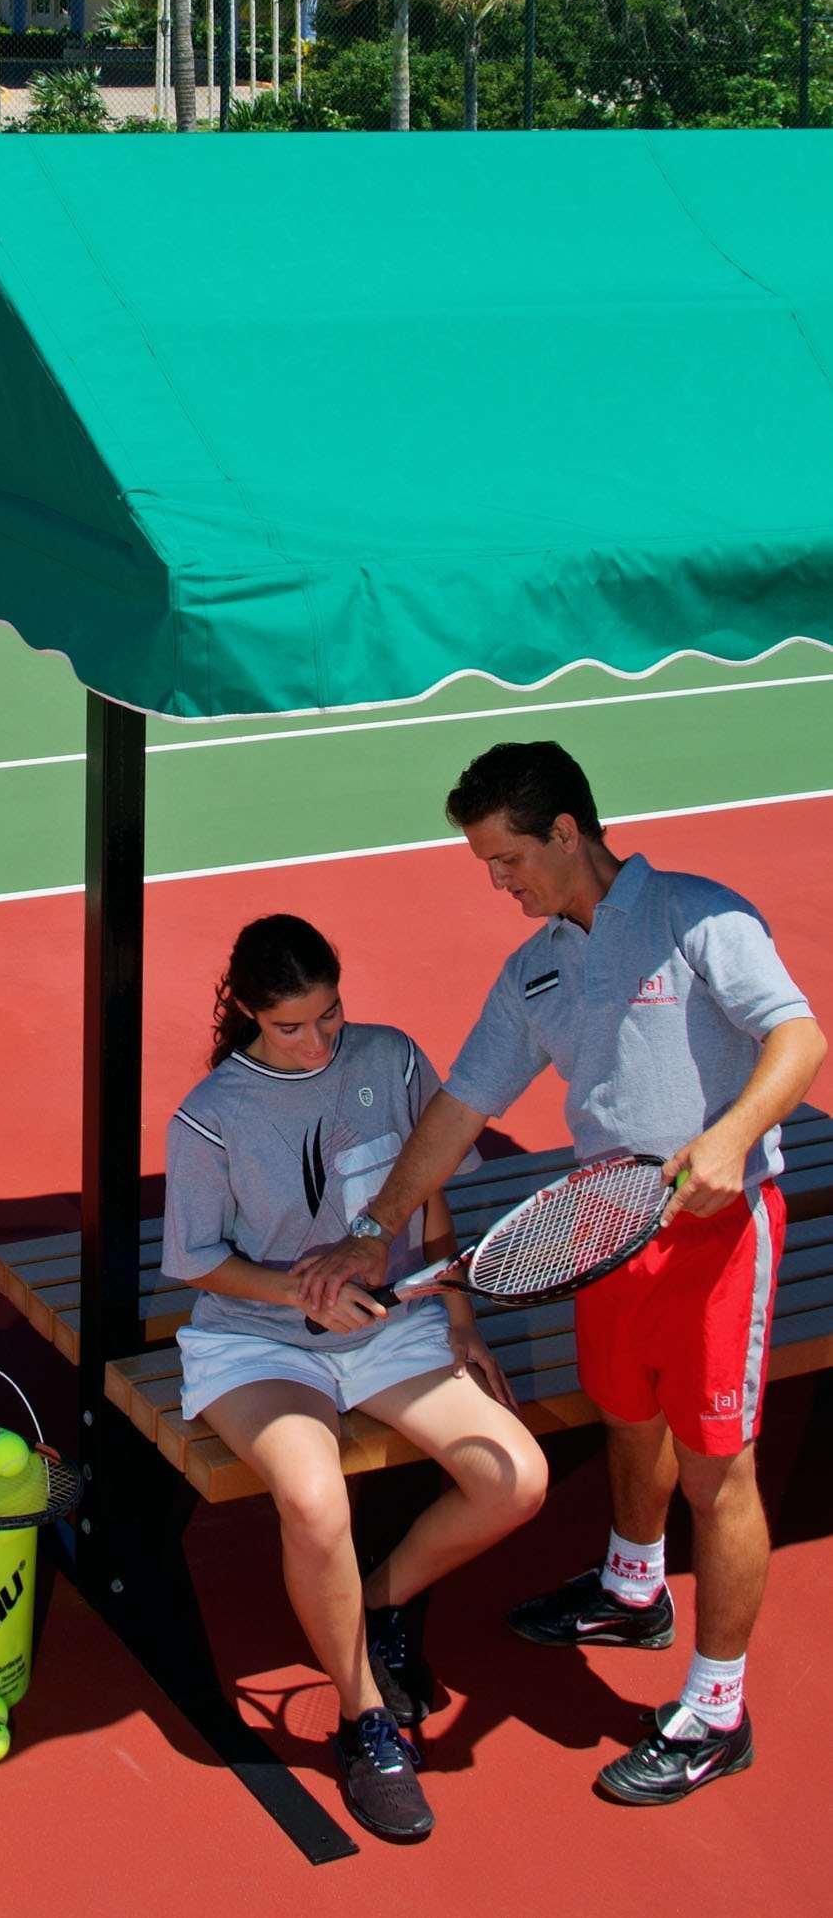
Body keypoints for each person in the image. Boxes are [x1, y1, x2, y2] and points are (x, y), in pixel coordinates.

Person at [298, 741, 826, 1809]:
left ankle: (717, 1711)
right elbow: (457, 1107)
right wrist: (371, 1227)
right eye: (486, 866)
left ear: (564, 832)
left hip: (716, 1235)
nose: (499, 884)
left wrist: (726, 1139)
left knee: (718, 1468)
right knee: (626, 1421)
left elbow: (796, 1037)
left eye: (506, 859)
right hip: (606, 1228)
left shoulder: (695, 914)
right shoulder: (532, 968)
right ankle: (633, 1592)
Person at [163, 912, 548, 1844]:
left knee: (517, 1481)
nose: (318, 1042)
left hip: (392, 1331)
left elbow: (428, 1192)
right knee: (314, 1499)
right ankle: (363, 1715)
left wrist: (459, 1315)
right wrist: (304, 1295)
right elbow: (195, 1260)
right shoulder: (211, 1116)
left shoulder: (393, 1058)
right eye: (292, 1026)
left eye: (330, 1016)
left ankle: (372, 1601)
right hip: (260, 1345)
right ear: (251, 1012)